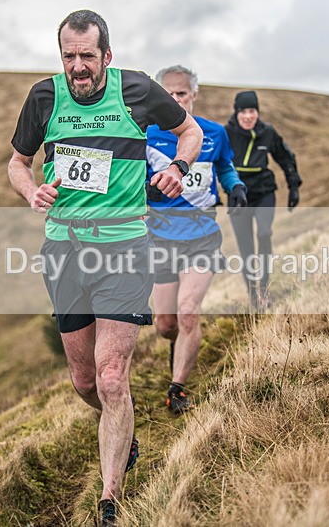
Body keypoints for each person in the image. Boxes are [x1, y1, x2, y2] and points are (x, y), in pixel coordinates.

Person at [7, 10, 203, 525]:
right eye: (69, 56)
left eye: (87, 56)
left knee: (113, 378)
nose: (78, 67)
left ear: (106, 56)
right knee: (85, 382)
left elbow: (190, 132)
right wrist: (32, 191)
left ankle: (109, 500)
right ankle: (125, 426)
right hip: (65, 253)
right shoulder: (44, 98)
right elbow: (16, 162)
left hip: (124, 250)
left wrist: (179, 170)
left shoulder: (136, 90)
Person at [145, 65, 246, 414]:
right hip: (160, 238)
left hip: (202, 236)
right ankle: (178, 348)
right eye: (168, 94)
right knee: (165, 324)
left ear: (194, 95)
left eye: (181, 94)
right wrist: (148, 190)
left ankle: (178, 389)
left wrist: (235, 187)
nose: (174, 100)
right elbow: (132, 180)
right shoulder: (147, 136)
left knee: (188, 312)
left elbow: (226, 167)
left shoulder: (214, 133)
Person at [225, 90, 302, 309]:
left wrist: (293, 186)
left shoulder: (267, 132)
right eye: (243, 112)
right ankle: (253, 295)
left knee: (265, 232)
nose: (248, 116)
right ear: (236, 112)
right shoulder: (226, 133)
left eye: (252, 111)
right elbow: (216, 162)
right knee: (246, 247)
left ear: (257, 112)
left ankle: (265, 289)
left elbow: (286, 158)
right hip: (238, 192)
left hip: (264, 190)